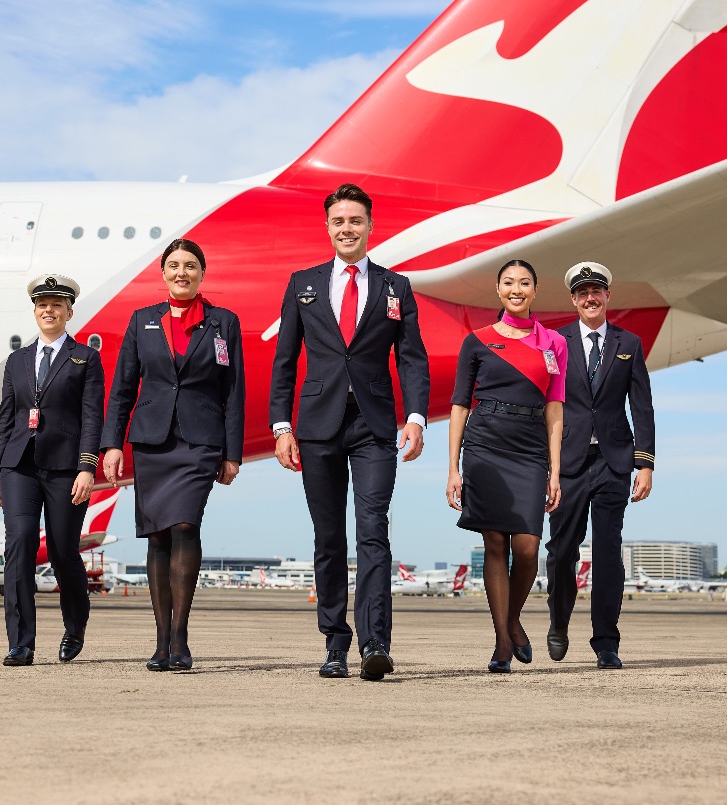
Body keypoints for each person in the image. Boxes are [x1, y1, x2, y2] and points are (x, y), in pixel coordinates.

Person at [269, 183, 430, 681]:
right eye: (338, 221)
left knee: (373, 530)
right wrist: (281, 425)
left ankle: (376, 642)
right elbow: (285, 361)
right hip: (317, 426)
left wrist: (417, 417)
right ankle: (336, 643)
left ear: (370, 226)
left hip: (374, 425)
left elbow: (411, 358)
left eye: (355, 221)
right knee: (328, 538)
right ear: (328, 227)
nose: (347, 229)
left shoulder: (394, 287)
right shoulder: (303, 283)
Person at [101, 239, 244, 672]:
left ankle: (180, 637)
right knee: (158, 536)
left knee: (184, 523)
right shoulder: (142, 321)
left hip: (200, 441)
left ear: (203, 272)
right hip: (152, 441)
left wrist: (231, 453)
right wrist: (111, 445)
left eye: (191, 266)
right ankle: (161, 640)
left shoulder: (224, 322)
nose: (182, 272)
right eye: (174, 266)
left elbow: (233, 391)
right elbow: (123, 389)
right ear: (163, 273)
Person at [446, 259, 566, 673]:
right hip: (485, 444)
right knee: (494, 543)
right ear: (498, 290)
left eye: (525, 283)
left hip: (530, 448)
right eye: (509, 283)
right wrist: (453, 469)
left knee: (528, 548)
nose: (517, 289)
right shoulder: (477, 341)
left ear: (536, 289)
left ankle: (512, 618)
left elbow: (555, 409)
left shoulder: (554, 344)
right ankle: (501, 642)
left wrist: (555, 470)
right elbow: (460, 405)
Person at [0, 274, 104, 667]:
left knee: (61, 551)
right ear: (34, 311)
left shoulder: (85, 358)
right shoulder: (17, 361)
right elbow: (6, 418)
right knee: (18, 544)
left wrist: (88, 468)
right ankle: (21, 642)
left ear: (69, 312)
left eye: (56, 305)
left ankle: (75, 624)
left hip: (66, 468)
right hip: (19, 465)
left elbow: (92, 418)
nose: (48, 310)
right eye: (42, 305)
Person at [546, 262, 655, 669]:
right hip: (568, 463)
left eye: (597, 291)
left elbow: (641, 405)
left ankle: (606, 643)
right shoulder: (555, 342)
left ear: (608, 296)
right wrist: (547, 466)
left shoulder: (629, 343)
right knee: (561, 551)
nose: (590, 298)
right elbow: (547, 405)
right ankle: (559, 622)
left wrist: (645, 464)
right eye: (582, 293)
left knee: (608, 552)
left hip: (614, 462)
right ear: (573, 300)